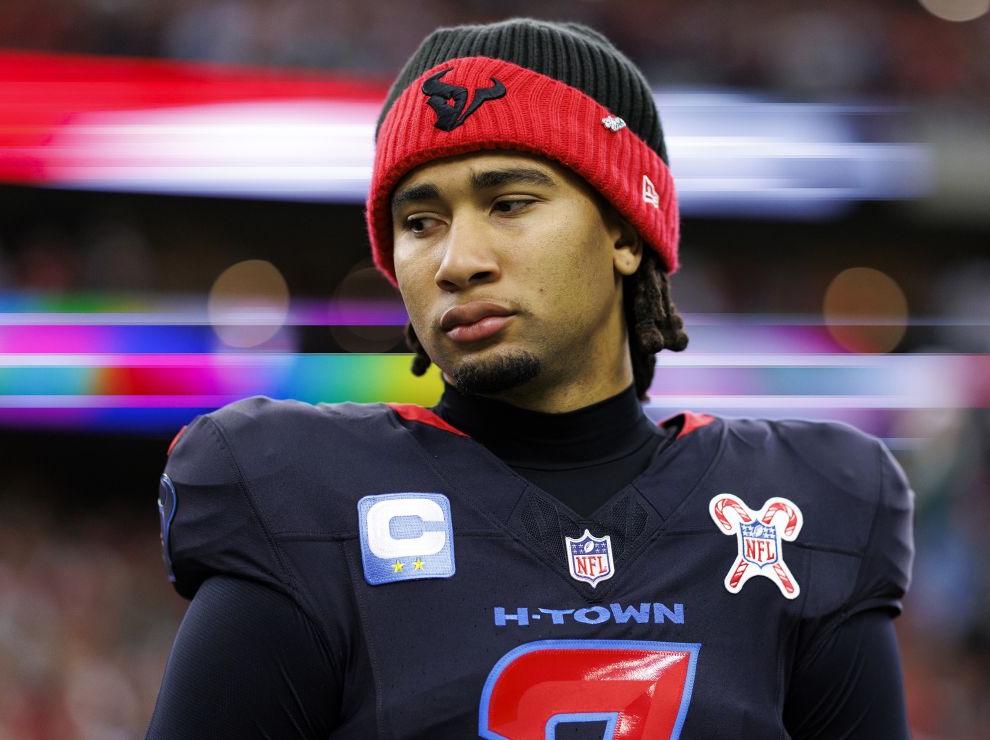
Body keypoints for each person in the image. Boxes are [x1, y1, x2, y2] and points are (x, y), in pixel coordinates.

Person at [146, 18, 914, 739]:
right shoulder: (302, 503)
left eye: (509, 203)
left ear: (624, 232)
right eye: (420, 222)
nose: (456, 262)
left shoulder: (803, 508)